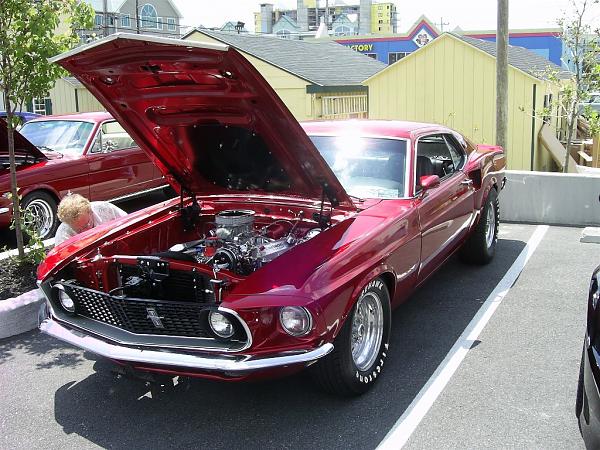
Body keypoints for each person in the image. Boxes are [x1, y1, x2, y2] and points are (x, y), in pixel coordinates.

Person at [55, 193, 127, 245]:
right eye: (79, 230)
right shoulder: (63, 235)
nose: (85, 231)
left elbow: (128, 223)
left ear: (91, 211)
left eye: (86, 225)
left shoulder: (106, 209)